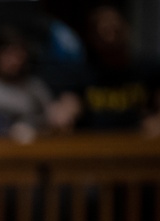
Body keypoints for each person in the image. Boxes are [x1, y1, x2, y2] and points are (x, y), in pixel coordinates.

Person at [52, 4, 160, 136]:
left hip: (138, 144)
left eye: (116, 30)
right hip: (94, 146)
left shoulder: (149, 69)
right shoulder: (81, 73)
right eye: (104, 31)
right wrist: (64, 112)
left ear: (127, 29)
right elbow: (69, 103)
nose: (111, 38)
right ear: (93, 38)